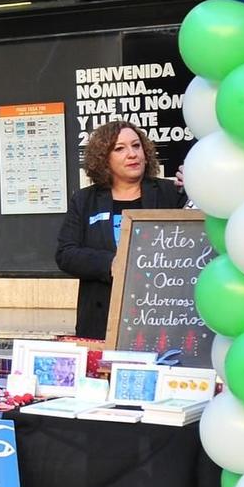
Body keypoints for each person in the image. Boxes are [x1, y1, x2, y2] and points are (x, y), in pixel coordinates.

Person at [57, 121, 189, 340]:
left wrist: (197, 191)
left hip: (160, 318)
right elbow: (66, 254)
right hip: (101, 320)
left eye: (136, 146)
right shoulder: (84, 200)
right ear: (103, 159)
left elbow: (194, 244)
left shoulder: (170, 193)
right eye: (120, 148)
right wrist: (112, 263)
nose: (132, 154)